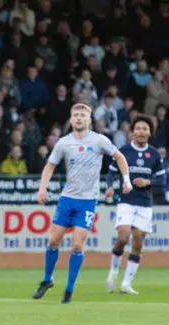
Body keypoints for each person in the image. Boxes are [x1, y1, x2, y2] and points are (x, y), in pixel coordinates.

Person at [32, 103, 133, 304]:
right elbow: (49, 166)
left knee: (77, 244)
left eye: (82, 115)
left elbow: (119, 156)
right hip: (67, 199)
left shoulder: (99, 140)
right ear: (71, 119)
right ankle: (47, 279)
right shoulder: (64, 143)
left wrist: (126, 179)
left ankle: (69, 289)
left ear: (89, 120)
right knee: (53, 241)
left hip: (87, 201)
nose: (78, 118)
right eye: (75, 115)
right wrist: (42, 188)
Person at [104, 116, 165, 294]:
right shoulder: (123, 151)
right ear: (132, 131)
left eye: (144, 129)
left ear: (150, 133)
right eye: (138, 128)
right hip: (126, 201)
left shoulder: (154, 154)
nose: (141, 132)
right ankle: (113, 272)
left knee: (137, 243)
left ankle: (126, 284)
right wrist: (109, 187)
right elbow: (111, 172)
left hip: (145, 204)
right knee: (122, 238)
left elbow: (161, 179)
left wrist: (147, 182)